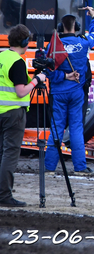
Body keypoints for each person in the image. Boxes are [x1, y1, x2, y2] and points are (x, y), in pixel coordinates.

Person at [44, 7, 94, 175]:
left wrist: (64, 76)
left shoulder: (53, 46)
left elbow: (47, 71)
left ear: (61, 28)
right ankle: (80, 167)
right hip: (77, 94)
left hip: (58, 94)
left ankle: (49, 168)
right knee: (76, 129)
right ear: (76, 27)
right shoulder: (84, 42)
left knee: (56, 129)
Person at [0, 24, 47, 207]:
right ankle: (4, 195)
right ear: (25, 42)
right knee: (10, 154)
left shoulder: (2, 56)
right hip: (13, 114)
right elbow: (21, 91)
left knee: (1, 153)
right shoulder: (17, 62)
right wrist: (37, 80)